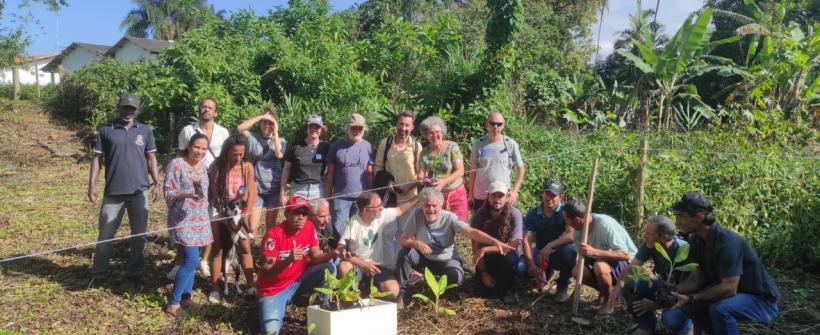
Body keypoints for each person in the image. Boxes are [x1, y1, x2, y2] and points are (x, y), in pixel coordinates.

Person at [669, 192, 780, 335]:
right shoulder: (696, 241)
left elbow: (729, 288)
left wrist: (692, 298)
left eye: (681, 216)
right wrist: (674, 290)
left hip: (762, 302)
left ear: (699, 216)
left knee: (720, 308)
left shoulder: (727, 242)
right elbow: (697, 279)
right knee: (696, 304)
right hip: (736, 295)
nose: (678, 221)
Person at [87, 93, 161, 288]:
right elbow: (97, 159)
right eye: (125, 108)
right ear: (118, 108)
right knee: (105, 236)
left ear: (137, 110)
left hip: (139, 192)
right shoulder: (106, 130)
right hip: (113, 193)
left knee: (139, 236)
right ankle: (99, 274)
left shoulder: (145, 131)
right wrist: (92, 184)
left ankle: (135, 273)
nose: (128, 112)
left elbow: (151, 158)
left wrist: (156, 182)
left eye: (132, 109)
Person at [397, 187, 514, 307]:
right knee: (404, 253)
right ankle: (401, 293)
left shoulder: (449, 218)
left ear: (440, 205)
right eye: (427, 206)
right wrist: (416, 243)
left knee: (457, 277)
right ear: (422, 205)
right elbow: (403, 239)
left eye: (434, 206)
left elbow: (471, 231)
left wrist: (494, 241)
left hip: (446, 261)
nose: (430, 209)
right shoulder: (416, 215)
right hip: (423, 259)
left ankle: (434, 287)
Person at [257, 195, 339, 334]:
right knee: (271, 331)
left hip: (298, 280)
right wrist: (288, 260)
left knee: (330, 268)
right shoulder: (274, 235)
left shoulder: (309, 227)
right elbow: (265, 270)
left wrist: (335, 253)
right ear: (286, 214)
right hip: (274, 289)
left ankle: (318, 313)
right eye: (296, 212)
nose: (301, 217)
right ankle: (271, 308)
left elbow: (316, 256)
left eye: (304, 213)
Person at [604, 215, 693, 335]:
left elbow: (685, 290)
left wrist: (654, 305)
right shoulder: (649, 244)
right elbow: (631, 268)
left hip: (683, 294)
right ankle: (647, 325)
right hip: (663, 287)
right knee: (630, 283)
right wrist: (618, 287)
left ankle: (686, 328)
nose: (644, 236)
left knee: (670, 319)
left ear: (664, 237)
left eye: (648, 233)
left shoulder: (684, 250)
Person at [172, 97, 229, 279]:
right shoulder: (188, 130)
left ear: (215, 112)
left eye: (210, 107)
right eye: (203, 107)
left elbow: (226, 157)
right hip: (193, 180)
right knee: (186, 220)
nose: (206, 110)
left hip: (216, 181)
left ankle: (203, 260)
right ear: (199, 110)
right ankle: (181, 261)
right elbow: (181, 154)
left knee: (210, 219)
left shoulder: (223, 132)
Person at [162, 133, 213, 318]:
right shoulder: (177, 164)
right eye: (196, 147)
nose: (199, 151)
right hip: (182, 218)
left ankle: (186, 298)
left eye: (204, 148)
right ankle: (173, 303)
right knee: (191, 260)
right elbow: (168, 191)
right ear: (189, 146)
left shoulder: (204, 166)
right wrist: (187, 195)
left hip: (199, 219)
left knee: (193, 258)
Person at [337, 191, 418, 299]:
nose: (382, 208)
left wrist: (419, 196)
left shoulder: (381, 214)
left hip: (377, 266)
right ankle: (350, 297)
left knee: (393, 291)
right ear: (366, 210)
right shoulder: (353, 223)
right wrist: (364, 265)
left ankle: (370, 293)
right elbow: (340, 250)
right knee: (344, 266)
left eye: (381, 205)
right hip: (358, 266)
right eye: (378, 206)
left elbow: (400, 210)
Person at [207, 134, 259, 303]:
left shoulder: (247, 167)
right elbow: (214, 196)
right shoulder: (217, 167)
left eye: (241, 154)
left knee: (245, 247)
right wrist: (226, 219)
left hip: (239, 211)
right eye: (234, 154)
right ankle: (215, 288)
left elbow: (251, 192)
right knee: (219, 249)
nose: (238, 158)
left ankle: (251, 286)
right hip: (220, 211)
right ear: (227, 151)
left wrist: (246, 214)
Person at [563, 198, 637, 311]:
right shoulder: (578, 231)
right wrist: (575, 291)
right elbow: (582, 258)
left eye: (566, 219)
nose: (565, 222)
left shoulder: (604, 224)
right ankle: (607, 293)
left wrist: (594, 252)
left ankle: (608, 302)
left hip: (628, 263)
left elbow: (625, 254)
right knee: (577, 271)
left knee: (600, 267)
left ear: (577, 219)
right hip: (601, 260)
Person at [517, 180, 577, 302]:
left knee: (569, 252)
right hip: (540, 252)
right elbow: (526, 239)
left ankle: (562, 285)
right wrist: (531, 264)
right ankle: (541, 276)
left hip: (559, 251)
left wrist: (551, 246)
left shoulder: (565, 212)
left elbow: (571, 236)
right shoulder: (533, 213)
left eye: (553, 195)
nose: (549, 198)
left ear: (561, 197)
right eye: (546, 194)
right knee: (521, 268)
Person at [470, 181, 523, 301]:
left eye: (500, 196)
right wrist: (483, 273)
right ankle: (492, 280)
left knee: (509, 259)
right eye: (493, 195)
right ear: (488, 196)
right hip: (487, 257)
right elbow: (475, 247)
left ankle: (505, 288)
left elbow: (513, 245)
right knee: (480, 292)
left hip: (506, 255)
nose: (497, 199)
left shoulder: (515, 214)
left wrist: (486, 248)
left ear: (507, 197)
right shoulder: (479, 215)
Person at [238, 107, 286, 231]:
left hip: (273, 189)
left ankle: (267, 249)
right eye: (264, 122)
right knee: (252, 227)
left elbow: (279, 154)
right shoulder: (253, 138)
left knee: (271, 225)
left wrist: (275, 131)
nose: (267, 125)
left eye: (270, 123)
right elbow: (240, 128)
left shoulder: (281, 141)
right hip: (256, 188)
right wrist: (261, 116)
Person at [326, 113, 374, 237]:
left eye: (360, 128)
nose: (357, 131)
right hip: (341, 198)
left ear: (364, 129)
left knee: (358, 232)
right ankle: (339, 256)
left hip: (361, 198)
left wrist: (370, 197)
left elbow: (370, 174)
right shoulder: (336, 146)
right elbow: (329, 175)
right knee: (340, 232)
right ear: (347, 128)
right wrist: (329, 199)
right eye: (353, 127)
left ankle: (354, 256)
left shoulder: (368, 147)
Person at [468, 112, 525, 210]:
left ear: (503, 125)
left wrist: (515, 191)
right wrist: (470, 195)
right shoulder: (478, 144)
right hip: (481, 195)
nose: (496, 126)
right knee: (480, 224)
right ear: (487, 124)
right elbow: (473, 170)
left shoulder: (510, 144)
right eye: (492, 123)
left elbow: (521, 168)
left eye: (499, 124)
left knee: (503, 224)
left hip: (501, 195)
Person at [417, 116, 468, 222]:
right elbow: (420, 175)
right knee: (439, 228)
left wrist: (444, 181)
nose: (435, 135)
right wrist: (423, 179)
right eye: (431, 133)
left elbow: (460, 171)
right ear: (426, 135)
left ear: (442, 132)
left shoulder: (452, 147)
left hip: (456, 195)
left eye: (437, 132)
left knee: (458, 226)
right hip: (435, 198)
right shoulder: (424, 152)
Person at [374, 111, 422, 209]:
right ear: (396, 124)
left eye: (407, 125)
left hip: (411, 198)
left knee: (409, 224)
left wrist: (409, 186)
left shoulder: (416, 146)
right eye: (401, 124)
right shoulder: (385, 143)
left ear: (412, 127)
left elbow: (421, 173)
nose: (403, 128)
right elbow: (377, 167)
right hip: (388, 197)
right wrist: (387, 182)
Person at [280, 115, 330, 203]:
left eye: (317, 127)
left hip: (318, 190)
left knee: (317, 217)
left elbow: (329, 171)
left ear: (321, 129)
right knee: (297, 217)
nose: (314, 129)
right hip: (298, 190)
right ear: (306, 128)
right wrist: (282, 193)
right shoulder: (295, 146)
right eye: (311, 126)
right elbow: (286, 169)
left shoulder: (326, 147)